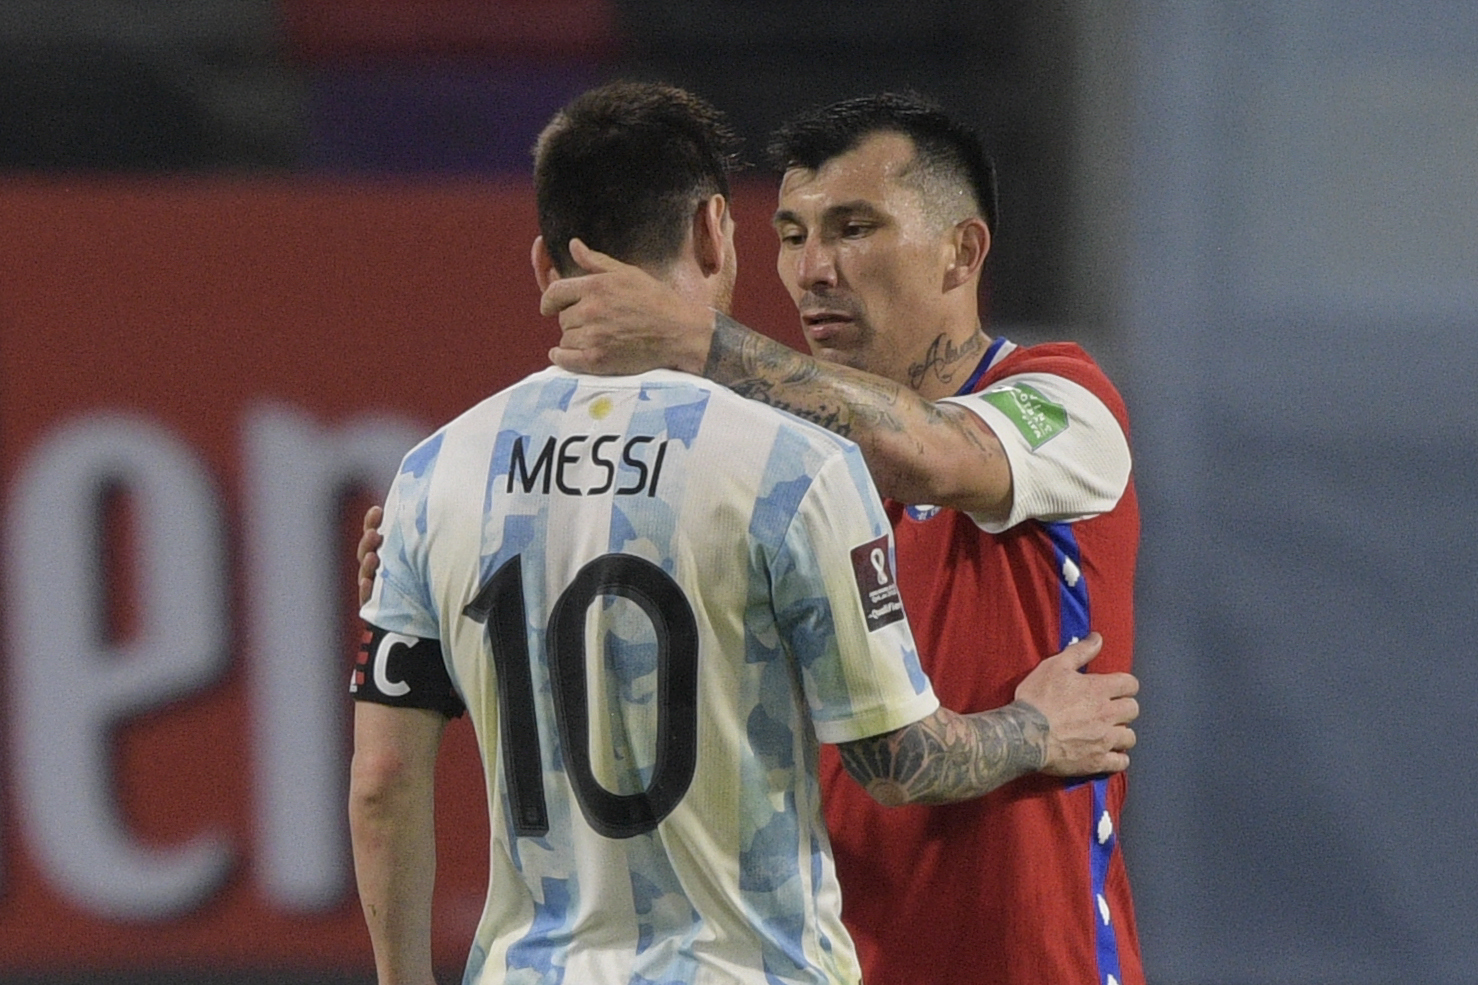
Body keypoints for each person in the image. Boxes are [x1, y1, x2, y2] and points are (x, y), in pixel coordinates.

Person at [349, 82, 1139, 985]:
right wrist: (447, 580)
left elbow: (924, 449)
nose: (811, 271)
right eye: (793, 236)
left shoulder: (1065, 403)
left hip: (1025, 964)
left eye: (853, 228)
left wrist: (701, 337)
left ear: (962, 252)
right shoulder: (778, 466)